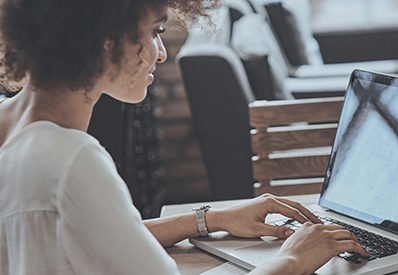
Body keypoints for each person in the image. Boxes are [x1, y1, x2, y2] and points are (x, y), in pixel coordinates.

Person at [0, 0, 368, 274]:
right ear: (105, 39)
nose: (160, 54)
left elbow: (101, 231)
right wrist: (294, 258)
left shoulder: (10, 126)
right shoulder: (72, 159)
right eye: (154, 32)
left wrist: (211, 218)